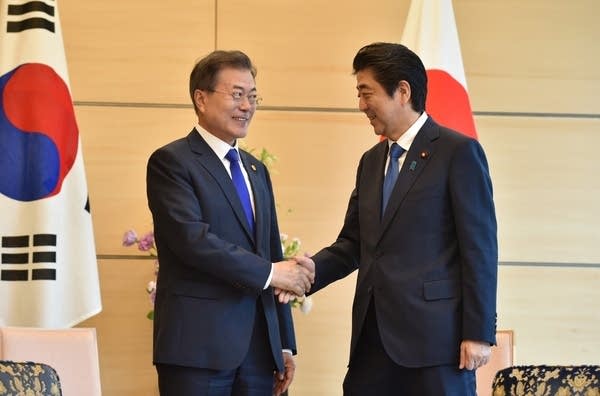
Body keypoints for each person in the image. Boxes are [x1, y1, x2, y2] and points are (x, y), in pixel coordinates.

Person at [290, 42, 498, 395]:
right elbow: (354, 243)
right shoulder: (371, 161)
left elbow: (479, 249)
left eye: (366, 92)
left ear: (402, 91)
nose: (361, 106)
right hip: (372, 345)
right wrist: (307, 272)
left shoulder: (457, 152)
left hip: (436, 347)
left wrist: (477, 332)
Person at [147, 49, 314, 396]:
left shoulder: (256, 170)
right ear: (201, 98)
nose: (247, 106)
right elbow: (193, 240)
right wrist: (272, 273)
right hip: (197, 350)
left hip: (258, 354)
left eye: (253, 96)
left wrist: (283, 344)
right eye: (236, 94)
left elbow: (272, 251)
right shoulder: (171, 162)